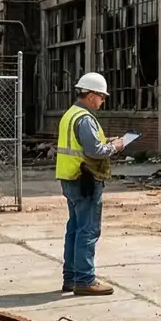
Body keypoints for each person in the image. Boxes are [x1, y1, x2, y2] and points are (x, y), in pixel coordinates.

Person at [56, 72, 124, 296]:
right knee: (88, 229)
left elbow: (82, 144)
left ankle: (71, 278)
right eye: (102, 96)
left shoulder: (70, 114)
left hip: (70, 177)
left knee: (75, 229)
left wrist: (106, 142)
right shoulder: (85, 118)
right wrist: (115, 147)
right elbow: (94, 151)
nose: (103, 101)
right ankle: (85, 279)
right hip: (84, 180)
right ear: (92, 95)